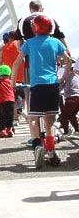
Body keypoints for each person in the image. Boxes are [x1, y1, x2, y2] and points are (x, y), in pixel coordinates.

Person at [11, 15, 71, 168]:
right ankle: (51, 152)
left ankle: (37, 145)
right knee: (49, 122)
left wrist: (13, 82)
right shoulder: (56, 42)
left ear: (35, 28)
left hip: (37, 85)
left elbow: (18, 62)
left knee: (32, 118)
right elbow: (68, 60)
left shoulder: (29, 43)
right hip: (52, 85)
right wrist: (62, 78)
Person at [0, 30, 26, 124]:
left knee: (12, 98)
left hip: (8, 77)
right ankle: (24, 112)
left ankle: (15, 118)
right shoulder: (20, 45)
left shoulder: (2, 48)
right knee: (23, 96)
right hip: (21, 76)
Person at [0, 65, 15, 138]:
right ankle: (9, 129)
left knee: (2, 116)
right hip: (11, 101)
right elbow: (14, 89)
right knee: (10, 116)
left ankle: (2, 130)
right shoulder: (10, 82)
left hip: (2, 101)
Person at [59, 59, 79, 135]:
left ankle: (66, 131)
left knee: (64, 115)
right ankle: (76, 129)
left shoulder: (66, 76)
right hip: (77, 96)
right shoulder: (76, 76)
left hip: (71, 98)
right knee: (71, 115)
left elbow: (60, 85)